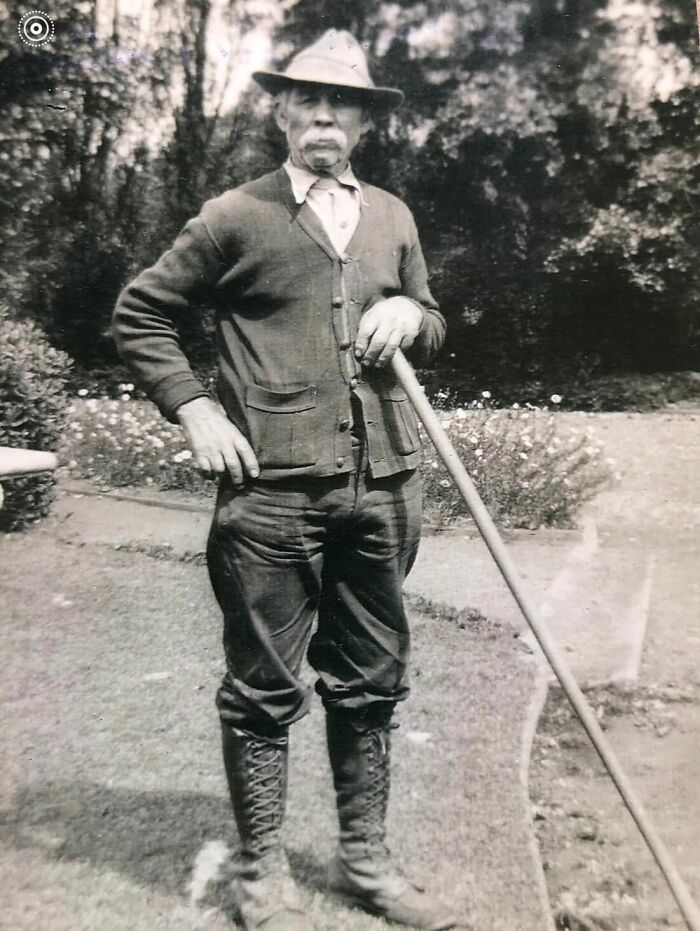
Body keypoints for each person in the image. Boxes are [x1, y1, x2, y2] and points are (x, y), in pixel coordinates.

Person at [112, 29, 456, 931]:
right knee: (264, 687)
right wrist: (194, 408)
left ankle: (366, 863)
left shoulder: (392, 215)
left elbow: (434, 318)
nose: (323, 115)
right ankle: (264, 873)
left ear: (366, 122)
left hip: (382, 486)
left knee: (372, 681)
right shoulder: (235, 213)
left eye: (342, 103)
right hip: (271, 494)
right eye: (305, 99)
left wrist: (409, 314)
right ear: (278, 109)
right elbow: (141, 312)